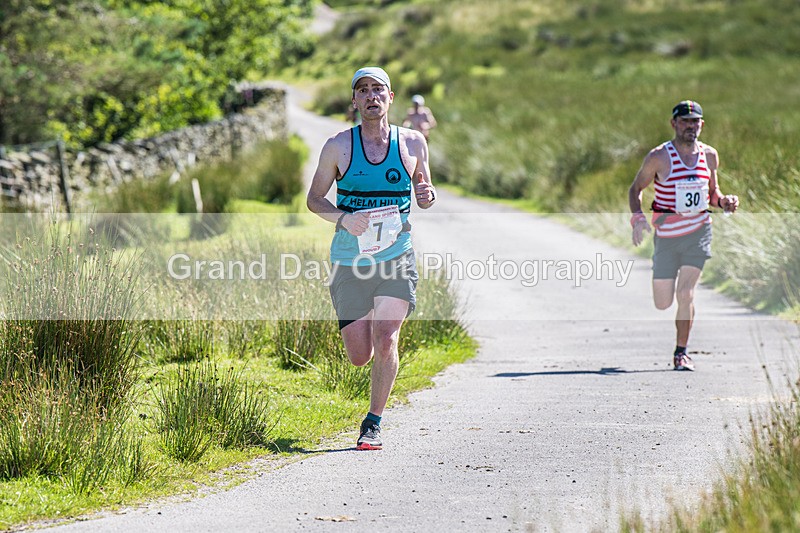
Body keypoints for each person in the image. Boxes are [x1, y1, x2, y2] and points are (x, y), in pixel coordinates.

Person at [307, 67, 436, 450]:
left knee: (386, 337)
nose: (370, 96)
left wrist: (428, 196)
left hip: (397, 257)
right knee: (359, 355)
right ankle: (370, 397)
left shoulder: (412, 143)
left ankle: (373, 423)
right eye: (362, 90)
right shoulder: (338, 146)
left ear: (390, 97)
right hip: (350, 260)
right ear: (354, 100)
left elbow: (424, 189)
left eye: (378, 89)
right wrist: (346, 218)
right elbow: (314, 200)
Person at [628, 100, 739, 371]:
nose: (691, 126)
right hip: (667, 236)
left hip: (698, 232)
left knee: (686, 293)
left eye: (695, 121)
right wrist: (638, 218)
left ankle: (681, 353)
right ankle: (680, 343)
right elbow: (635, 189)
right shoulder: (659, 156)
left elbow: (713, 192)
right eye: (685, 121)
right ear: (674, 123)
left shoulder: (709, 155)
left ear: (702, 124)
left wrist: (724, 201)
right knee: (663, 302)